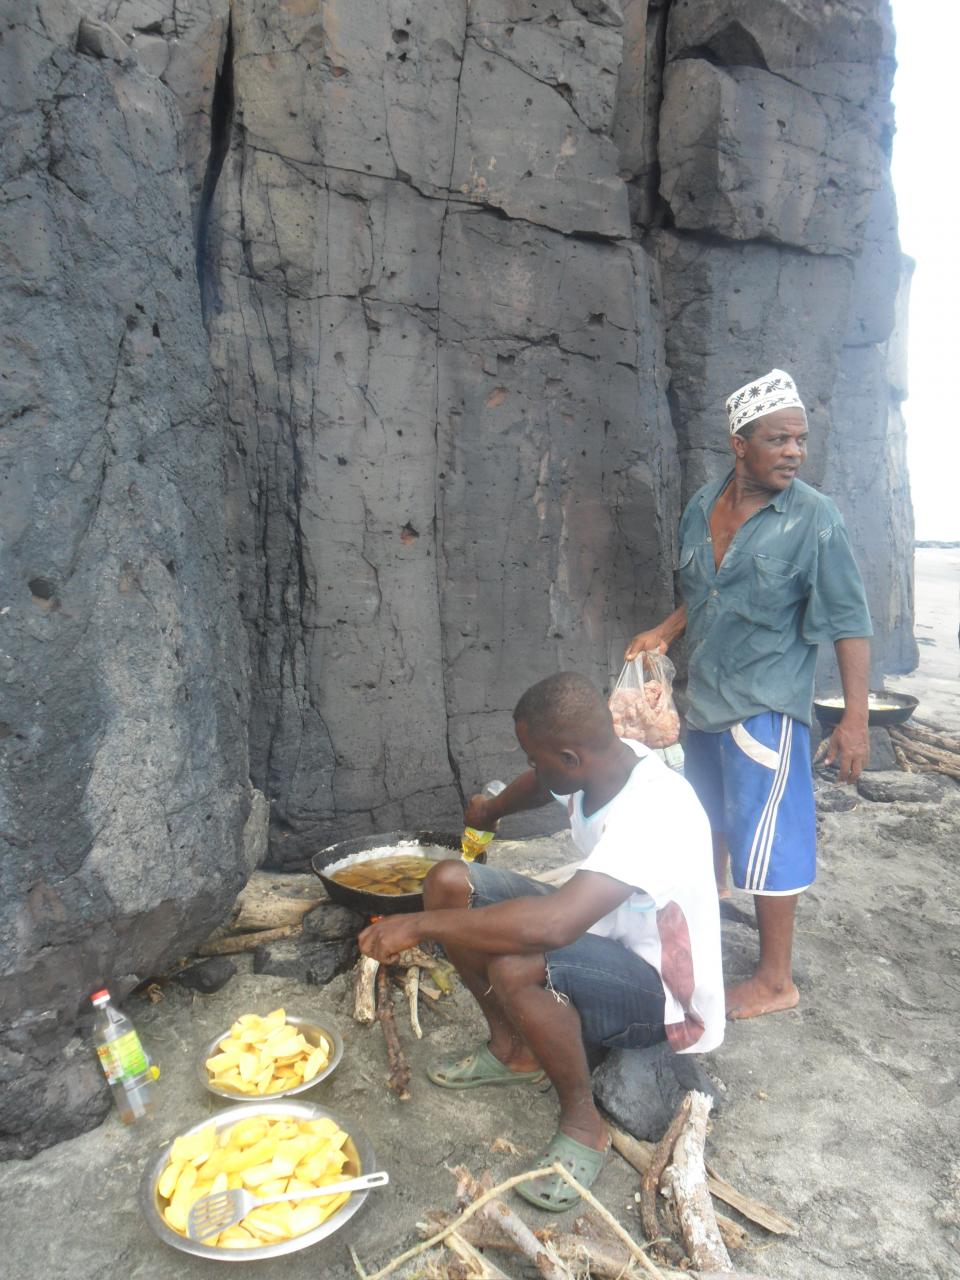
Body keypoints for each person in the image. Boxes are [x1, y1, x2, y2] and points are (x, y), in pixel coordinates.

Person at [359, 672, 723, 1212]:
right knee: (447, 884)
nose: (532, 770)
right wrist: (493, 809)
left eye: (537, 759)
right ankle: (515, 1049)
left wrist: (417, 927)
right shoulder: (599, 766)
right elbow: (545, 784)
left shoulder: (656, 811)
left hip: (662, 995)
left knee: (518, 966)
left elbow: (553, 926)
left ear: (572, 758)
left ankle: (583, 1122)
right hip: (599, 939)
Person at [626, 368, 872, 1020]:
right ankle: (708, 919)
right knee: (705, 821)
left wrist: (854, 721)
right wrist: (665, 629)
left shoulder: (815, 519)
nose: (794, 451)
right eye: (779, 439)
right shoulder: (702, 504)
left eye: (800, 440)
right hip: (704, 701)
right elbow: (706, 591)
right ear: (741, 443)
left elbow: (850, 622)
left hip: (766, 707)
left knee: (773, 840)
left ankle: (774, 980)